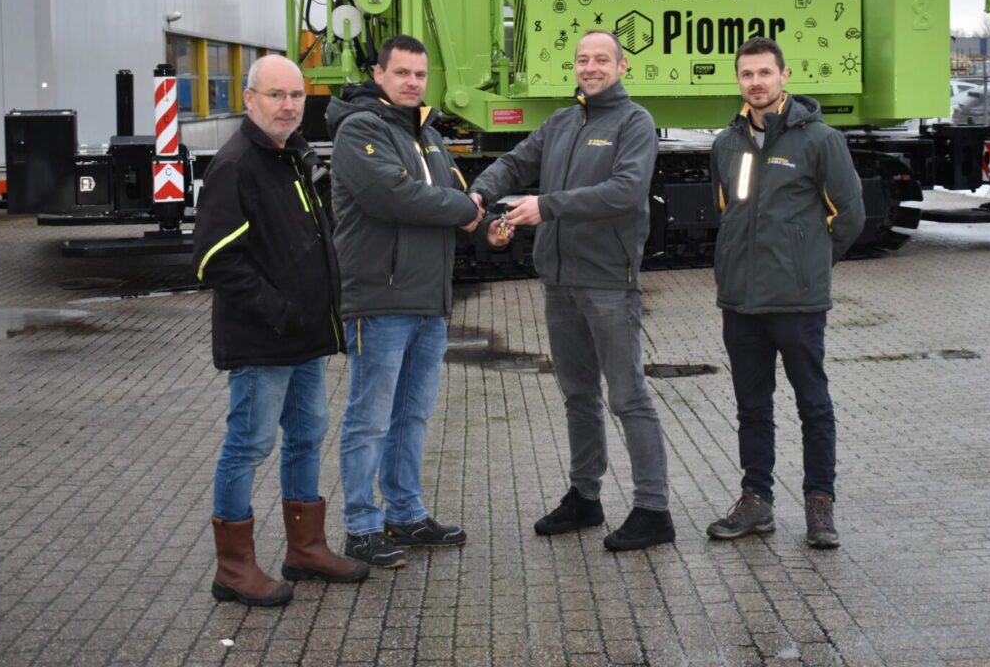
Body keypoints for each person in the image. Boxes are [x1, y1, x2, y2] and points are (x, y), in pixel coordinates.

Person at [471, 30, 674, 551]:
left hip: (607, 281)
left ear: (622, 66)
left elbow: (626, 191)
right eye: (583, 59)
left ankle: (654, 510)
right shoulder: (561, 123)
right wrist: (479, 193)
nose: (590, 67)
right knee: (578, 394)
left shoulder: (634, 122)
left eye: (601, 59)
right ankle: (586, 496)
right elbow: (515, 163)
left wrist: (547, 205)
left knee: (627, 395)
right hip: (559, 281)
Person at [192, 54, 369, 607]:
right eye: (276, 95)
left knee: (307, 435)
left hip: (304, 339)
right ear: (250, 99)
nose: (288, 106)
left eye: (296, 96)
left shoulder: (292, 155)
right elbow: (214, 260)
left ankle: (306, 549)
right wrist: (277, 309)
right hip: (263, 341)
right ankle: (233, 570)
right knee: (249, 445)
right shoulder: (236, 165)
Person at [327, 35, 482, 570]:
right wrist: (463, 208)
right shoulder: (360, 130)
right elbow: (393, 196)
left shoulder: (429, 135)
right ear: (379, 74)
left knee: (412, 416)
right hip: (381, 299)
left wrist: (480, 217)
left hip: (428, 302)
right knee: (369, 418)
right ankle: (361, 526)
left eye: (420, 74)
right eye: (402, 73)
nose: (413, 82)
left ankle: (406, 514)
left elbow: (455, 196)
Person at [704, 37, 864, 548]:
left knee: (813, 405)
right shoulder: (726, 144)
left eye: (764, 73)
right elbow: (729, 212)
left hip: (797, 303)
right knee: (752, 408)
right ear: (738, 80)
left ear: (784, 76)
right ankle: (756, 500)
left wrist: (808, 265)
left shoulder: (819, 140)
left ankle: (820, 503)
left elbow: (850, 215)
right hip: (741, 303)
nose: (756, 82)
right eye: (747, 74)